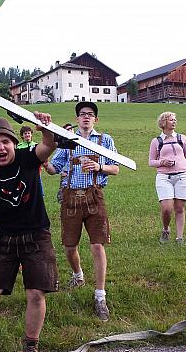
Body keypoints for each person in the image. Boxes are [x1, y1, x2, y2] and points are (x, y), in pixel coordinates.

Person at [0, 115, 58, 352]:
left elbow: (49, 145)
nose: (1, 147)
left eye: (5, 142)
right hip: (5, 236)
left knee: (36, 292)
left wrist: (44, 127)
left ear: (13, 143)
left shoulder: (27, 157)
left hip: (36, 233)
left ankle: (31, 344)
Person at [47, 101, 119, 322]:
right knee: (70, 247)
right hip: (70, 198)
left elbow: (115, 168)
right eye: (82, 114)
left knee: (97, 245)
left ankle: (100, 296)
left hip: (94, 197)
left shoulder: (104, 140)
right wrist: (41, 160)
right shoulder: (68, 141)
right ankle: (78, 276)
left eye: (90, 114)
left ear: (95, 119)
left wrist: (99, 167)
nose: (86, 117)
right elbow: (53, 169)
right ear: (77, 119)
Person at [148, 112, 186, 245]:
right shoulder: (156, 141)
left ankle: (180, 238)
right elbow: (151, 162)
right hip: (164, 177)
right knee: (167, 208)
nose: (174, 122)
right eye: (171, 120)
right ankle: (165, 229)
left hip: (183, 176)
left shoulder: (182, 138)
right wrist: (162, 162)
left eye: (175, 119)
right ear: (163, 123)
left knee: (180, 208)